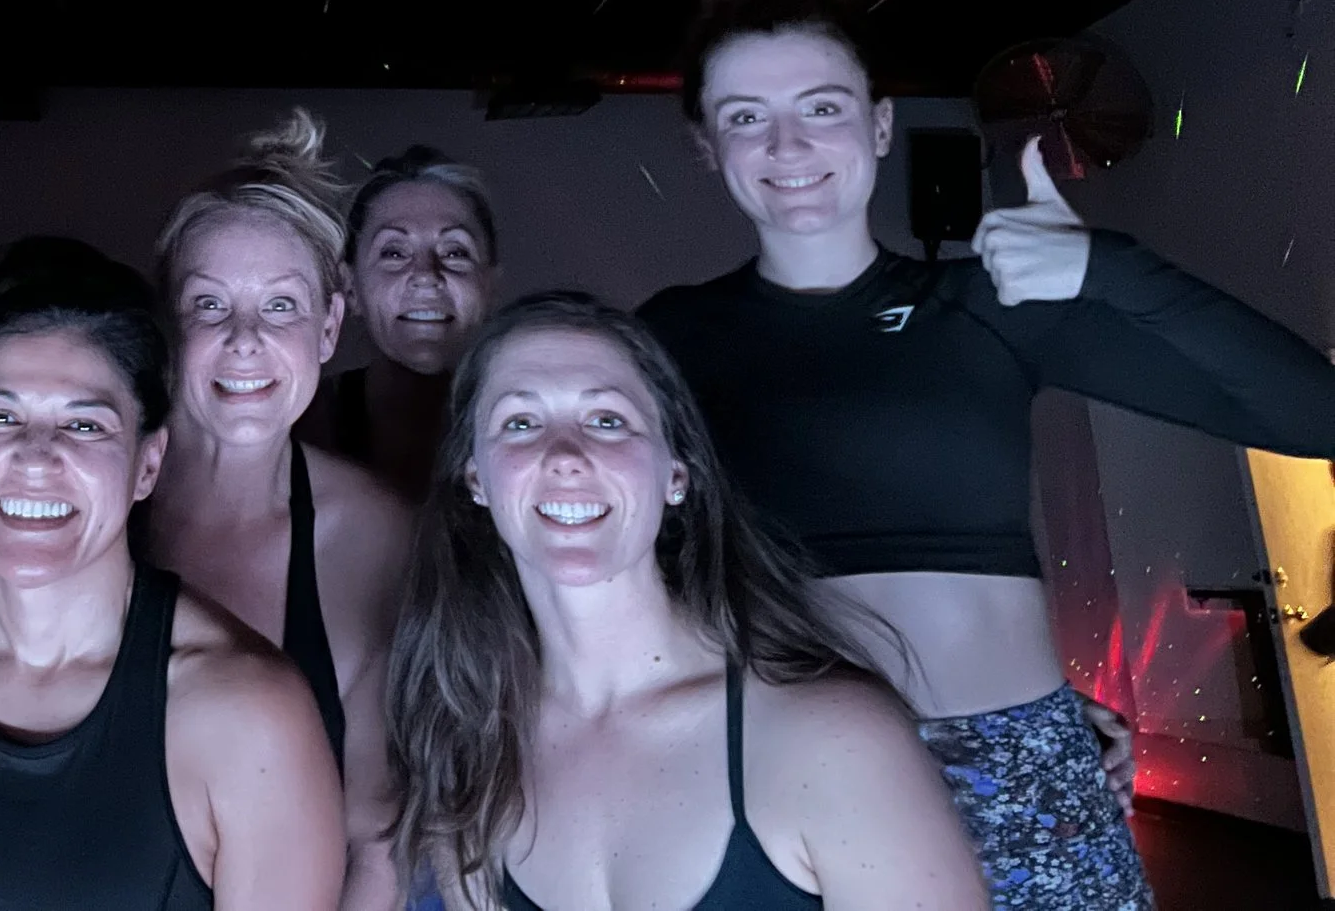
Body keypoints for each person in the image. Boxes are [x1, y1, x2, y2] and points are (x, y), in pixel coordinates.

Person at [641, 0, 1335, 911]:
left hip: (1026, 772)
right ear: (706, 145)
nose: (788, 142)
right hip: (790, 770)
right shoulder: (666, 338)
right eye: (746, 115)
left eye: (823, 105)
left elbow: (1313, 413)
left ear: (880, 124)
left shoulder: (988, 302)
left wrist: (1109, 266)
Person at [385, 291, 986, 911]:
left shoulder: (834, 738)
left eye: (607, 420)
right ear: (476, 478)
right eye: (520, 423)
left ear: (677, 473)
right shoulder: (471, 751)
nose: (564, 455)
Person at [0, 237, 345, 911]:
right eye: (0, 416)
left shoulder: (247, 713)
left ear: (147, 463)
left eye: (85, 425)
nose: (35, 458)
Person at [141, 114, 413, 899]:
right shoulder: (81, 501)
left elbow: (377, 843)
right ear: (169, 328)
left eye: (282, 307)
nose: (247, 339)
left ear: (329, 327)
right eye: (210, 306)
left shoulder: (378, 533)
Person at [304, 148, 503, 501]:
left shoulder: (531, 423)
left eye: (455, 252)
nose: (426, 276)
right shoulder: (300, 428)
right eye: (394, 252)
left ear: (489, 284)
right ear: (351, 288)